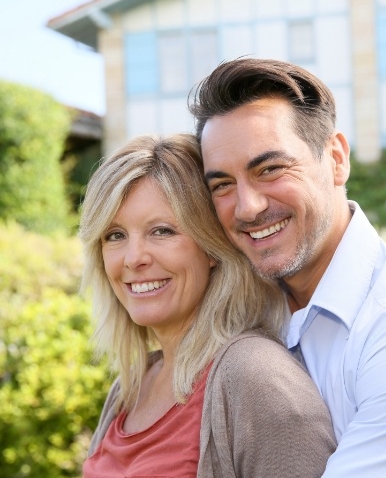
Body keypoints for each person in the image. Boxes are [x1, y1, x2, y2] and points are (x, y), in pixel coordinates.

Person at [189, 57, 386, 477]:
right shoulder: (243, 305)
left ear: (336, 158)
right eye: (223, 185)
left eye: (270, 169)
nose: (247, 207)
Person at [79, 132, 336, 478]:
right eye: (115, 235)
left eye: (162, 231)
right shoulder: (133, 386)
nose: (133, 258)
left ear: (211, 246)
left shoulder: (255, 377)